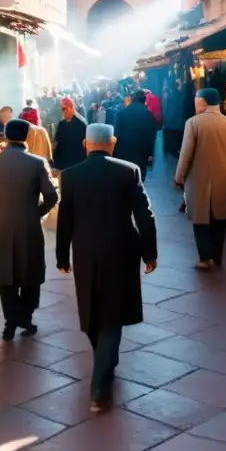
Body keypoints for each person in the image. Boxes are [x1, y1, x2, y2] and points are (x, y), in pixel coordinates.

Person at [56, 123, 157, 412]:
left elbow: (65, 219)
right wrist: (149, 252)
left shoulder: (71, 175)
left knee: (92, 310)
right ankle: (100, 387)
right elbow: (144, 215)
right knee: (112, 315)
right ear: (112, 143)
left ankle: (104, 364)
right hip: (121, 250)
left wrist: (63, 256)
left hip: (86, 252)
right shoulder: (129, 171)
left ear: (85, 145)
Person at [0, 119, 59, 339]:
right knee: (30, 273)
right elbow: (52, 196)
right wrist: (37, 212)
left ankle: (10, 321)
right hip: (30, 226)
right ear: (27, 136)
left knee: (6, 274)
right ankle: (26, 318)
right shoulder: (37, 163)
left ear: (4, 135)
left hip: (3, 226)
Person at [175, 88, 226, 271]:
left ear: (202, 102)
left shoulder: (193, 123)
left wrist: (179, 177)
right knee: (220, 219)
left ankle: (204, 258)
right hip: (224, 180)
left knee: (200, 219)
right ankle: (218, 256)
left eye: (197, 100)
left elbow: (186, 154)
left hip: (199, 180)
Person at [114, 90, 159, 177]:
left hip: (124, 154)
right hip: (142, 154)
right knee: (139, 179)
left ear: (132, 100)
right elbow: (152, 137)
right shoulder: (149, 116)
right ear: (144, 101)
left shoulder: (121, 114)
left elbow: (116, 134)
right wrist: (150, 154)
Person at [54, 96, 88, 170]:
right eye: (62, 109)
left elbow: (85, 145)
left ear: (72, 107)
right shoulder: (61, 124)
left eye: (65, 108)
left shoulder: (81, 124)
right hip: (63, 164)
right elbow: (58, 143)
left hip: (77, 163)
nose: (63, 111)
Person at [162, 80, 187, 158]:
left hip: (172, 123)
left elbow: (168, 112)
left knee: (173, 140)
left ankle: (172, 152)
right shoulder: (181, 95)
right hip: (180, 122)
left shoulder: (170, 97)